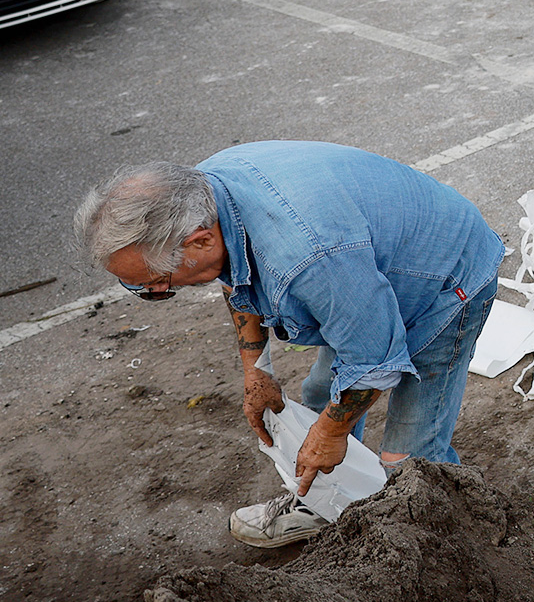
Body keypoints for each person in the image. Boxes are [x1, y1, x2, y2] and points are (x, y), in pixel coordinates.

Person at [74, 144, 505, 548]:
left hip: (446, 281)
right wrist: (256, 369)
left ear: (200, 241)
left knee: (408, 458)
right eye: (142, 288)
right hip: (364, 272)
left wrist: (331, 434)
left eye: (159, 284)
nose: (158, 291)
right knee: (321, 396)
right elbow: (235, 277)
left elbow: (374, 359)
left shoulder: (307, 257)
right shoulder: (202, 195)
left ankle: (451, 541)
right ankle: (326, 502)